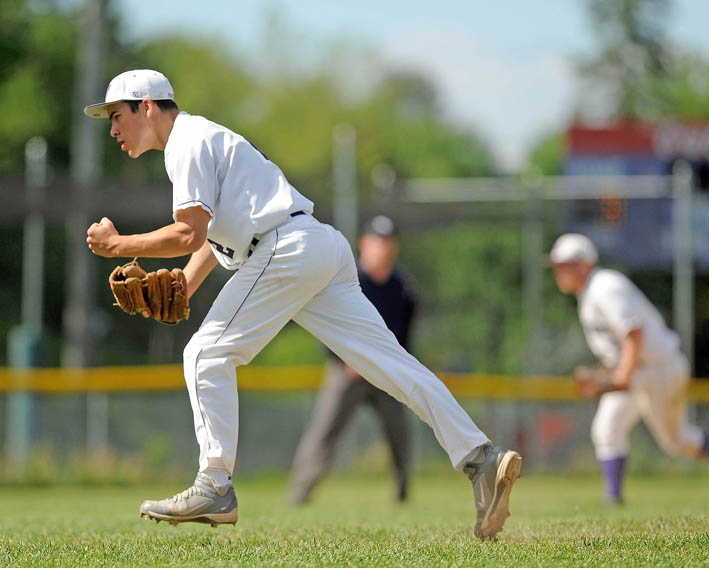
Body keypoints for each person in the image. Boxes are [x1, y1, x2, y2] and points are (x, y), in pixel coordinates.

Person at [83, 69, 521, 538]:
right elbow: (214, 235)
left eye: (116, 115)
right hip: (317, 245)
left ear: (146, 106)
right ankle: (481, 457)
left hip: (283, 248)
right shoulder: (203, 135)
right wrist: (186, 284)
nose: (112, 128)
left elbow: (189, 231)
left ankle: (214, 483)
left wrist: (119, 244)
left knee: (205, 354)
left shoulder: (186, 143)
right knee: (394, 366)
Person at [549, 233, 709, 505]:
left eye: (562, 264)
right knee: (606, 428)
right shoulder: (589, 294)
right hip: (640, 371)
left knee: (675, 442)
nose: (557, 270)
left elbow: (633, 334)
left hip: (658, 369)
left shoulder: (604, 287)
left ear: (583, 265)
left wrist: (620, 379)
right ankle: (612, 499)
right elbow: (620, 348)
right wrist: (603, 373)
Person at [289, 215, 416, 505]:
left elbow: (406, 333)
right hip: (347, 371)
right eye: (377, 240)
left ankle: (403, 490)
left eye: (387, 241)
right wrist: (343, 358)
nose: (382, 247)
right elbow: (324, 320)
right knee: (323, 432)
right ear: (364, 243)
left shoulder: (403, 287)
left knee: (400, 433)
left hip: (385, 372)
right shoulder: (349, 277)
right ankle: (300, 494)